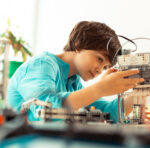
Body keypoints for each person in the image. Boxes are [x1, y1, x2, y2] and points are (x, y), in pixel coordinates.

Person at [7, 21, 144, 122]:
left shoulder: (73, 82)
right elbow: (44, 109)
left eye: (105, 68)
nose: (99, 70)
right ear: (79, 44)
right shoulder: (43, 64)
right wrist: (100, 88)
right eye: (99, 59)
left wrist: (140, 93)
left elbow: (107, 112)